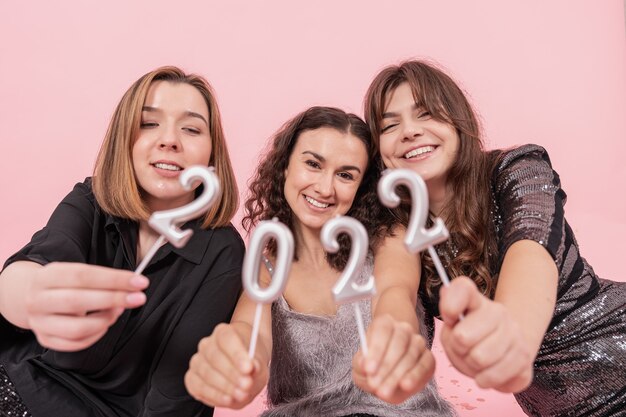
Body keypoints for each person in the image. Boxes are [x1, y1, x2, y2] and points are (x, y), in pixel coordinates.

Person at [363, 59, 626, 416]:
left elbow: (531, 249)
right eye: (390, 126)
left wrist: (512, 333)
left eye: (426, 114)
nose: (409, 131)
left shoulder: (516, 169)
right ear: (380, 153)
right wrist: (392, 342)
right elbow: (397, 289)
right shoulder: (399, 231)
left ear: (459, 122)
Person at [0, 66, 245, 417]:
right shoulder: (91, 200)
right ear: (124, 138)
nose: (170, 140)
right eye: (149, 123)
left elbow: (176, 397)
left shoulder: (222, 252)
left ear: (211, 154)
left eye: (191, 129)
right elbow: (30, 270)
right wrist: (33, 294)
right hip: (22, 384)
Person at [184, 106, 456, 417]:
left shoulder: (389, 237)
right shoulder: (267, 263)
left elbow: (395, 295)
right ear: (285, 166)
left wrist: (394, 337)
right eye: (313, 164)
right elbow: (251, 331)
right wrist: (240, 365)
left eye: (345, 175)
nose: (325, 188)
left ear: (362, 186)